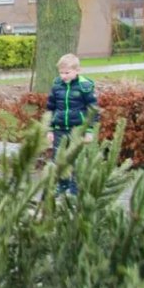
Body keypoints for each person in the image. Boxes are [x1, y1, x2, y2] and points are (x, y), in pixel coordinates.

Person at [46, 53, 98, 195]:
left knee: (77, 159)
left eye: (67, 73)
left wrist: (89, 131)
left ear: (77, 70)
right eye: (61, 73)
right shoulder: (57, 86)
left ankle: (75, 189)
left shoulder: (85, 86)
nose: (64, 76)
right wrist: (50, 129)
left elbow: (93, 110)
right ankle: (62, 184)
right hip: (59, 129)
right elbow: (50, 108)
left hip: (77, 129)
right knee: (59, 159)